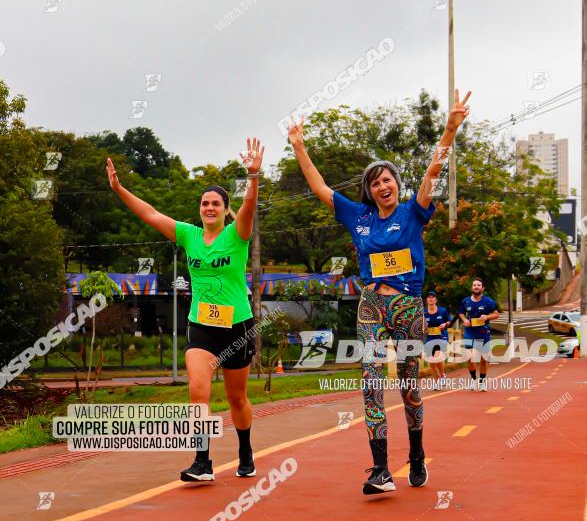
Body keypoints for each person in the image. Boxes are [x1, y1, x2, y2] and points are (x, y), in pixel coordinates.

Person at [288, 90, 471, 494]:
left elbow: (431, 176)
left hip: (408, 307)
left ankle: (418, 455)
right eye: (374, 182)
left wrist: (450, 130)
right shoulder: (360, 217)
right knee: (371, 381)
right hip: (372, 304)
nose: (381, 185)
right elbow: (319, 188)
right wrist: (300, 147)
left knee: (408, 385)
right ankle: (380, 469)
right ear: (368, 192)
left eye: (386, 179)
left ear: (395, 184)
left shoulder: (411, 211)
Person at [105, 137, 264, 482]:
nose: (209, 208)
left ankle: (245, 451)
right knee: (198, 388)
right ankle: (202, 461)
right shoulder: (189, 235)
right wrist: (119, 189)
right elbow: (150, 214)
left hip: (237, 327)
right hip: (201, 326)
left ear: (225, 210)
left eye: (216, 204)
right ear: (200, 209)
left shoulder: (238, 234)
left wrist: (252, 177)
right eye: (205, 203)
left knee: (237, 398)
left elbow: (249, 208)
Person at [458, 278, 500, 391]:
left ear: (482, 288)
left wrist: (487, 317)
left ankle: (481, 382)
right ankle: (473, 379)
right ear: (472, 287)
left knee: (483, 359)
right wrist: (464, 320)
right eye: (474, 285)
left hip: (483, 332)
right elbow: (461, 313)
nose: (476, 286)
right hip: (470, 332)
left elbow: (496, 314)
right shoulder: (466, 301)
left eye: (478, 285)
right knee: (470, 357)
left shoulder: (488, 301)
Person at [423, 291, 453, 389]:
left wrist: (445, 324)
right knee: (431, 363)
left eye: (433, 297)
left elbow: (449, 321)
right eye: (429, 297)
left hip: (441, 337)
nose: (431, 299)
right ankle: (438, 381)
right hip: (429, 338)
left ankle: (442, 374)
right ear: (427, 300)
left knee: (437, 357)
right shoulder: (423, 312)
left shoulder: (442, 311)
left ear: (436, 300)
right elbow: (420, 325)